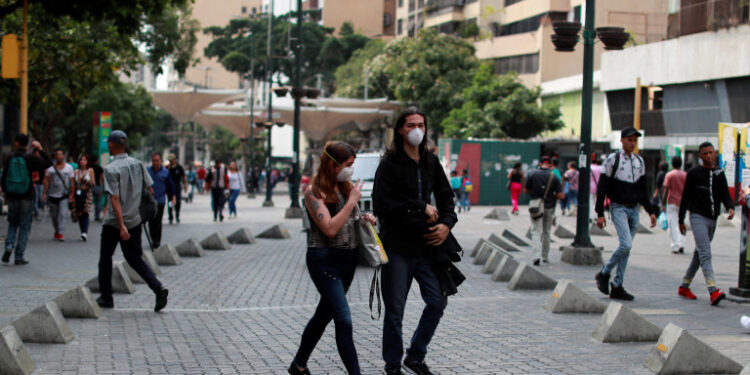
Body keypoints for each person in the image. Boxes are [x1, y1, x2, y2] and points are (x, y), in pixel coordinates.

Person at [373, 108, 460, 375]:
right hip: (398, 245)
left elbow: (447, 198)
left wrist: (446, 224)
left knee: (437, 301)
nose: (416, 130)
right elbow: (382, 205)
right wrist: (419, 206)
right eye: (411, 125)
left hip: (428, 245)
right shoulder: (389, 164)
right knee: (395, 310)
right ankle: (392, 366)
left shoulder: (431, 162)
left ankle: (416, 355)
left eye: (421, 124)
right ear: (400, 129)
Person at [289, 142, 375, 375]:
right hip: (324, 261)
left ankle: (298, 364)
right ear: (332, 164)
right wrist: (351, 202)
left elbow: (349, 219)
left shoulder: (345, 187)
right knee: (343, 319)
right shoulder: (313, 192)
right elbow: (328, 229)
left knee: (323, 315)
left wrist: (364, 217)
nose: (351, 169)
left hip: (348, 259)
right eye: (348, 165)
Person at [96, 130, 168, 311]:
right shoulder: (138, 164)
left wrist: (121, 226)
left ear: (111, 145)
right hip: (135, 220)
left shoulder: (111, 169)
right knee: (135, 258)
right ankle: (158, 288)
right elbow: (150, 189)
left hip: (115, 222)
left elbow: (114, 199)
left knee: (105, 259)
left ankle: (106, 297)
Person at [594, 127, 657, 301]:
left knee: (626, 249)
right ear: (622, 140)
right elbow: (602, 187)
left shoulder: (639, 161)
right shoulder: (612, 160)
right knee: (626, 245)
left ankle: (617, 285)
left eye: (635, 140)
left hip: (634, 208)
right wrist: (599, 212)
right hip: (618, 207)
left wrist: (650, 210)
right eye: (629, 140)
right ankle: (604, 273)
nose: (632, 143)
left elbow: (643, 189)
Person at [677, 142, 734, 306]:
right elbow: (685, 197)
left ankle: (684, 285)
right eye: (705, 153)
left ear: (715, 154)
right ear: (700, 156)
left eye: (711, 152)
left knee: (699, 253)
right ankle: (712, 290)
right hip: (697, 217)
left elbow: (725, 194)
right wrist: (681, 220)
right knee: (705, 252)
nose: (709, 156)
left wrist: (730, 208)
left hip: (712, 219)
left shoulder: (719, 173)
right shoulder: (694, 173)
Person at [1, 134, 51, 265]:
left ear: (16, 143)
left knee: (12, 223)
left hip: (12, 196)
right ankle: (19, 256)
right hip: (27, 195)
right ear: (27, 144)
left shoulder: (9, 157)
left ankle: (8, 246)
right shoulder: (30, 158)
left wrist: (6, 192)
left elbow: (4, 176)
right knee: (24, 226)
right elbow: (48, 163)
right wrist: (40, 148)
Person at [525, 156, 564, 266]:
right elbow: (560, 195)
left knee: (536, 231)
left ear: (540, 163)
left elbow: (526, 190)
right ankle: (545, 256)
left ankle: (536, 256)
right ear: (550, 164)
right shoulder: (554, 176)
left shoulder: (532, 174)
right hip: (549, 206)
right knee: (546, 231)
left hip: (536, 207)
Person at [43, 149, 75, 241]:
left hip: (64, 195)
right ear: (55, 157)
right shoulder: (50, 169)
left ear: (64, 156)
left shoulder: (69, 168)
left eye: (61, 154)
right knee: (54, 216)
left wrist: (72, 194)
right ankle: (57, 230)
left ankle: (60, 232)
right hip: (53, 195)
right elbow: (46, 181)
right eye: (57, 155)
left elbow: (72, 182)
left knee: (62, 214)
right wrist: (44, 193)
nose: (59, 156)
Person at [147, 154, 175, 249]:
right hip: (150, 201)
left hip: (160, 201)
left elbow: (170, 186)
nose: (155, 162)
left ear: (160, 161)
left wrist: (173, 197)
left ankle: (157, 241)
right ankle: (153, 238)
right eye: (153, 160)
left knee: (158, 221)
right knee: (151, 221)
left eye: (157, 160)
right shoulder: (147, 171)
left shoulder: (165, 172)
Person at [662, 156, 687, 254]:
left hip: (671, 202)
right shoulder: (685, 175)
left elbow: (665, 190)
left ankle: (675, 246)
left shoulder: (669, 175)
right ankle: (682, 244)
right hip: (683, 203)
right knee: (681, 223)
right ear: (681, 164)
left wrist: (663, 203)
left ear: (672, 164)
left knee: (672, 225)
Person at [71, 154, 95, 241]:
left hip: (87, 193)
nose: (83, 162)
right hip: (78, 193)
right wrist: (72, 195)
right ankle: (82, 232)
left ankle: (85, 232)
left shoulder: (90, 171)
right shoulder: (76, 171)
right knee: (79, 212)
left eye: (84, 160)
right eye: (81, 160)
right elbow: (73, 184)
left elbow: (93, 183)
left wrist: (85, 180)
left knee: (86, 212)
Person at [166, 154, 186, 224]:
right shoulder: (167, 168)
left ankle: (177, 214)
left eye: (172, 160)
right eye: (170, 161)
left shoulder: (179, 167)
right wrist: (168, 168)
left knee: (178, 201)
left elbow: (183, 176)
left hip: (177, 186)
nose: (171, 162)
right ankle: (170, 216)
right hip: (170, 187)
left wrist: (185, 184)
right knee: (170, 201)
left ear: (174, 160)